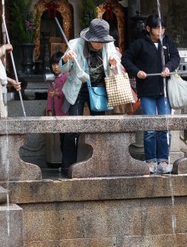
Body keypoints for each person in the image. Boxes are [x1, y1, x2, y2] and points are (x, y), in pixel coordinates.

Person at [58, 18, 121, 177]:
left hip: (99, 88)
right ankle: (67, 166)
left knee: (98, 126)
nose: (100, 44)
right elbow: (63, 69)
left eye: (102, 41)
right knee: (74, 128)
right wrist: (66, 59)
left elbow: (116, 70)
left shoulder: (109, 45)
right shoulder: (75, 44)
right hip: (78, 88)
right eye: (96, 41)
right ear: (89, 37)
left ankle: (98, 164)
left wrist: (114, 64)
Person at [122, 13, 180, 175]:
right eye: (157, 28)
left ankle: (164, 160)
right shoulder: (140, 43)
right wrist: (137, 72)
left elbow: (176, 57)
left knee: (164, 127)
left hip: (164, 91)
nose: (160, 31)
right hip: (147, 90)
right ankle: (150, 161)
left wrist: (169, 67)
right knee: (149, 127)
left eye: (163, 28)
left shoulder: (167, 42)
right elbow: (126, 59)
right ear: (148, 28)